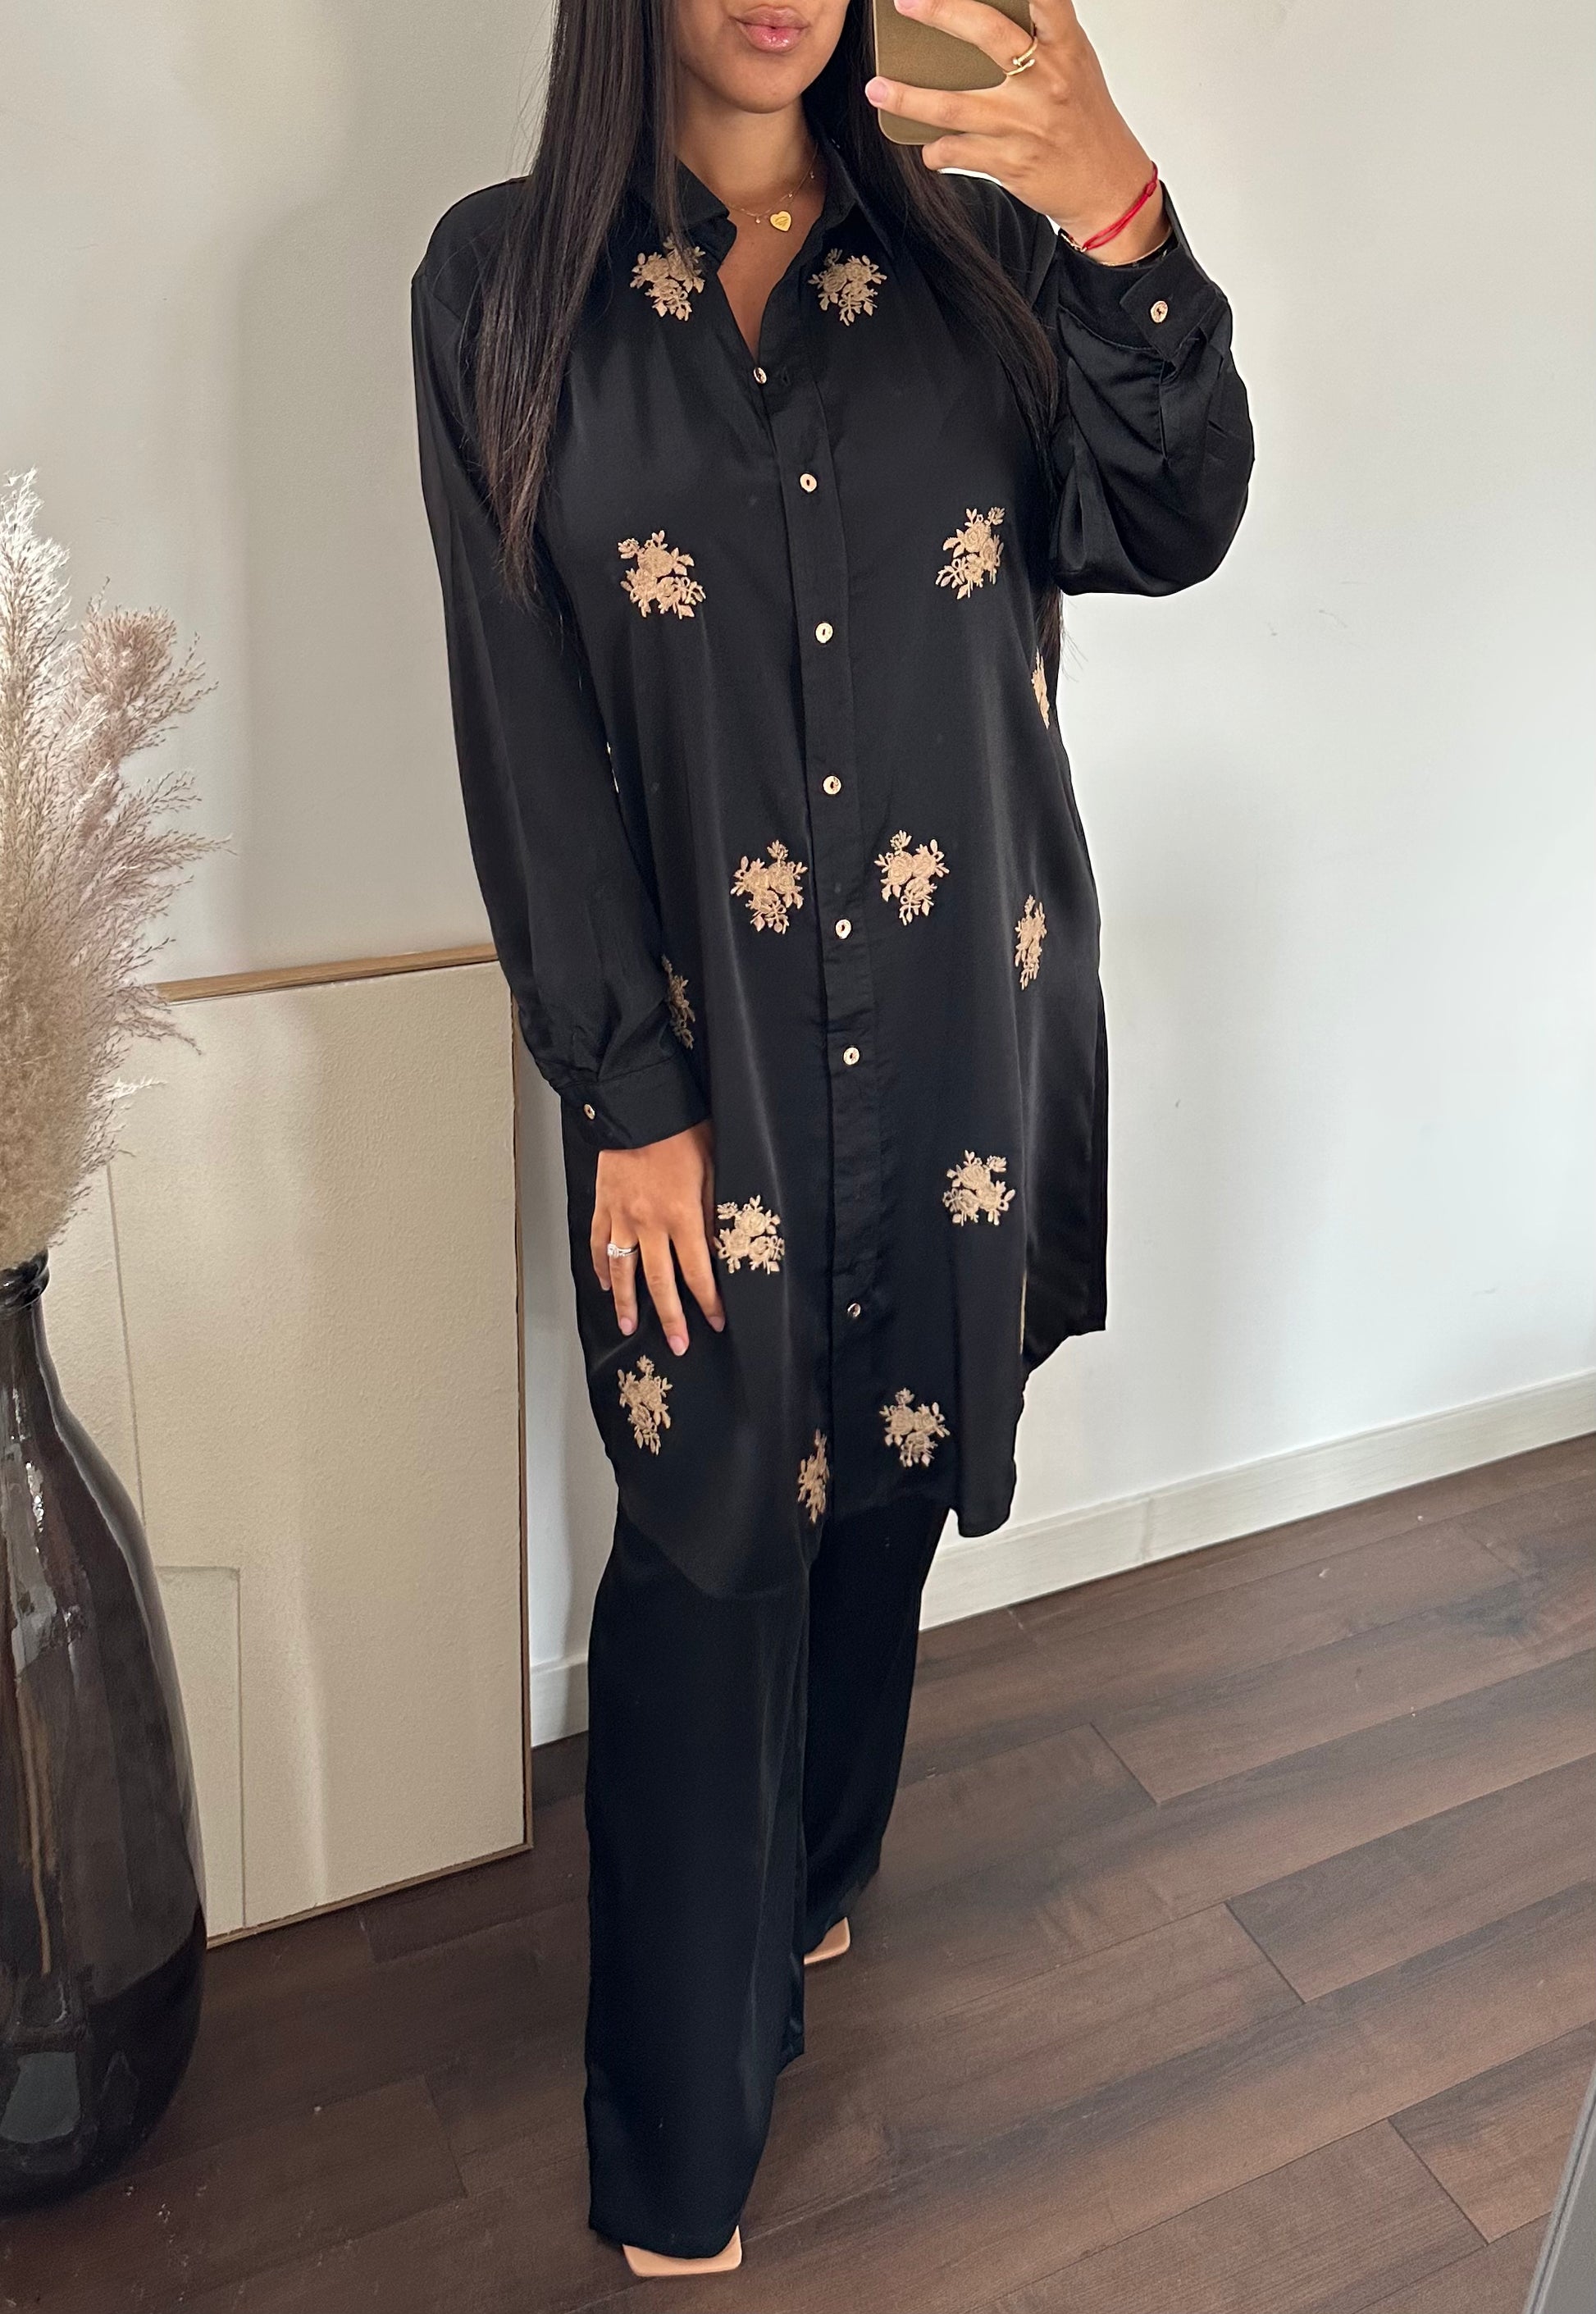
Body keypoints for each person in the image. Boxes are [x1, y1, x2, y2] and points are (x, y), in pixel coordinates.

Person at [411, 0, 1252, 2276]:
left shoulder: (986, 261)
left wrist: (1118, 209)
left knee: (888, 1468)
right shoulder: (503, 286)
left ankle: (818, 1879)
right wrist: (628, 1093)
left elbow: (1169, 520)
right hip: (703, 1068)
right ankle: (680, 2158)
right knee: (708, 1535)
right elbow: (519, 705)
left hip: (962, 1014)